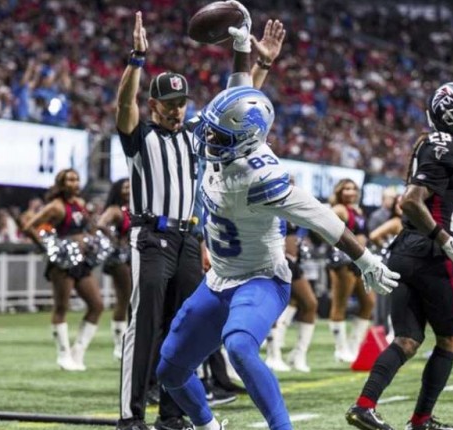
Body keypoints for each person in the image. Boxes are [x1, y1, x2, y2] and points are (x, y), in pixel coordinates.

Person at [155, 83, 399, 430]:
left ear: (247, 140)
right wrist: (247, 52)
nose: (208, 138)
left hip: (261, 278)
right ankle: (209, 427)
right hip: (217, 279)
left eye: (219, 135)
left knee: (239, 346)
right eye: (210, 129)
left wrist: (365, 260)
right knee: (170, 371)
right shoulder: (223, 142)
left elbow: (322, 217)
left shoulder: (262, 177)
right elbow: (241, 82)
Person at [114, 8, 285, 430]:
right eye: (169, 104)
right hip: (151, 237)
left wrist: (260, 63)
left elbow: (236, 107)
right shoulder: (140, 137)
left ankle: (173, 417)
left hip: (190, 240)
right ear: (154, 104)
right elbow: (123, 104)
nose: (177, 110)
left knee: (182, 328)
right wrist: (137, 60)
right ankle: (130, 416)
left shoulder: (195, 134)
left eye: (181, 103)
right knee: (144, 323)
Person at [346, 82, 453, 430]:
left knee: (407, 340)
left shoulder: (438, 145)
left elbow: (439, 215)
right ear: (446, 116)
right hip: (431, 254)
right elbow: (412, 202)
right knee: (451, 340)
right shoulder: (445, 146)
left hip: (408, 249)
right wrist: (446, 242)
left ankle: (364, 406)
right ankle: (420, 420)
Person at [22, 169, 104, 371]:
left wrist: (90, 237)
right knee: (62, 307)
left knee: (97, 305)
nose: (74, 183)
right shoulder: (56, 206)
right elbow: (29, 226)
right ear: (61, 183)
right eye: (70, 180)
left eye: (77, 179)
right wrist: (50, 248)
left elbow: (88, 228)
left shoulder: (80, 204)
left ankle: (78, 353)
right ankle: (63, 355)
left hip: (81, 261)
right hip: (62, 262)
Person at [328, 179, 376, 363]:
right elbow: (325, 231)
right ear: (339, 191)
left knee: (369, 303)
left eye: (353, 189)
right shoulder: (339, 210)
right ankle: (340, 349)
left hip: (360, 261)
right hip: (343, 262)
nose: (350, 192)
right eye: (346, 189)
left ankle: (354, 346)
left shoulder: (358, 210)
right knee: (340, 304)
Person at [264, 219, 319, 373]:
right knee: (273, 308)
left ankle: (299, 355)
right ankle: (273, 355)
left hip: (292, 262)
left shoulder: (289, 207)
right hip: (274, 260)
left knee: (310, 304)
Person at [98, 178, 133, 360]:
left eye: (130, 187)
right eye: (125, 187)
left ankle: (128, 341)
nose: (128, 190)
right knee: (124, 298)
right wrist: (114, 239)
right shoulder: (115, 209)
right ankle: (119, 345)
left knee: (131, 298)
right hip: (118, 257)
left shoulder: (132, 208)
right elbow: (100, 224)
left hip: (131, 256)